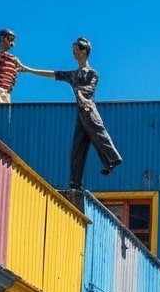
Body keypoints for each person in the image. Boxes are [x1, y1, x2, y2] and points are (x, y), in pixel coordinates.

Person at [21, 37, 122, 189]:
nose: (74, 53)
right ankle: (75, 183)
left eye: (76, 50)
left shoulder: (92, 73)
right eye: (73, 51)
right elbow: (52, 74)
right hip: (81, 114)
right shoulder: (72, 74)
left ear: (84, 51)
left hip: (89, 110)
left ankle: (113, 159)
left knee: (99, 134)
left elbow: (90, 89)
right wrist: (28, 69)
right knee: (77, 148)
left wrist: (79, 92)